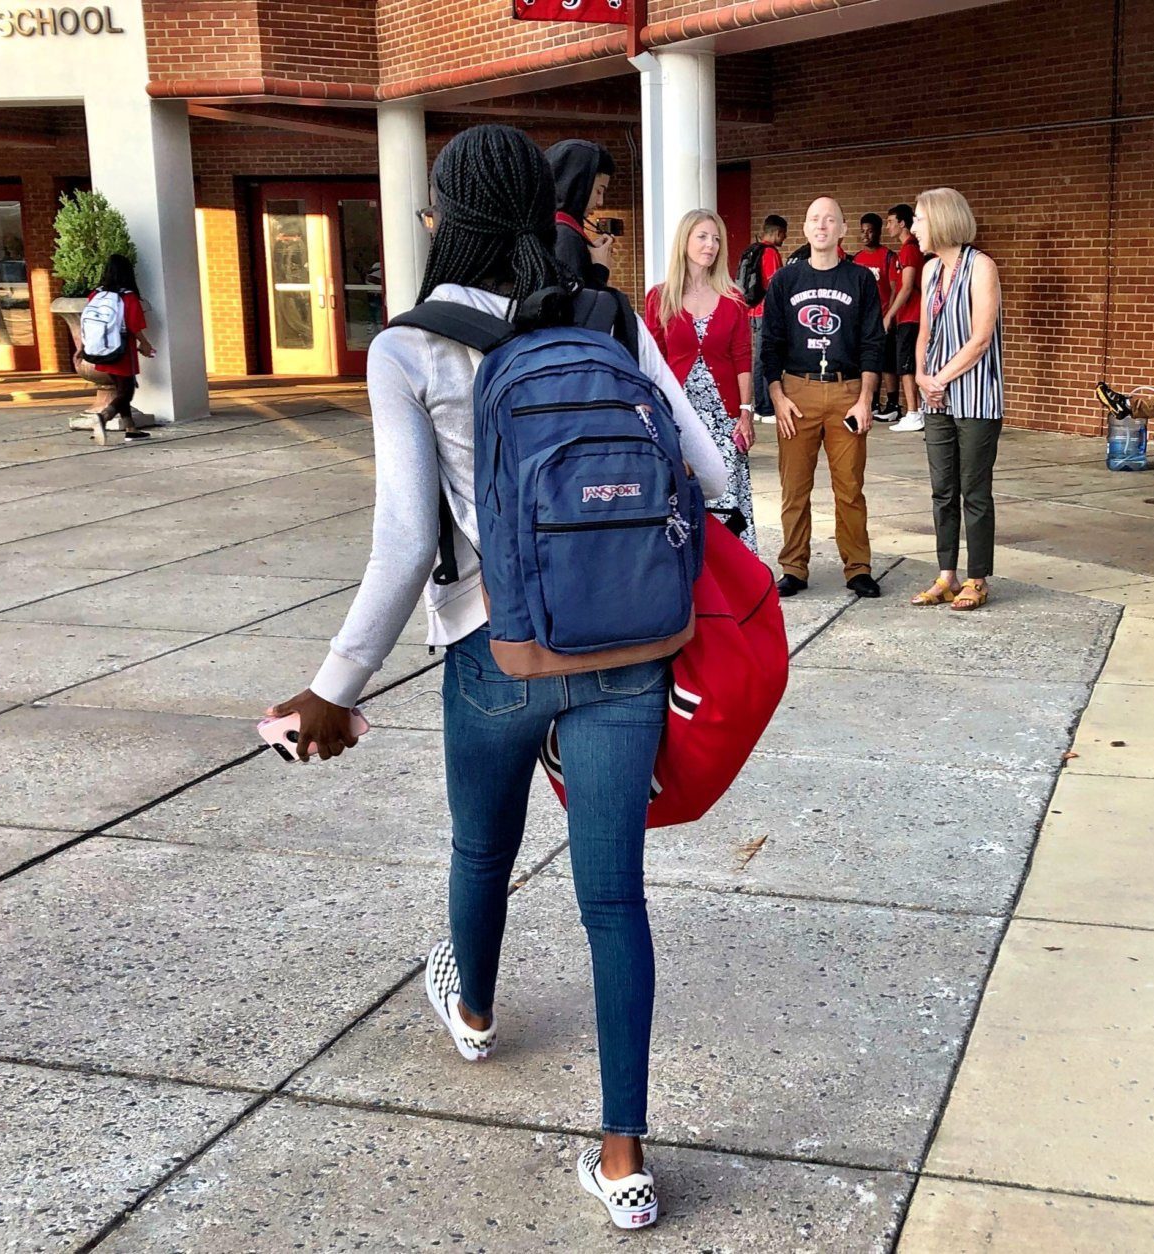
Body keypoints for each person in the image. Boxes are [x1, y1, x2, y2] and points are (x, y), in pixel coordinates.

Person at [267, 125, 726, 1231]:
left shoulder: (408, 347)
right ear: (545, 213)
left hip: (493, 648)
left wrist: (334, 689)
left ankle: (473, 1011)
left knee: (483, 848)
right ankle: (624, 1160)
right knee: (613, 899)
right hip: (626, 650)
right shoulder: (606, 318)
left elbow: (401, 543)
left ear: (440, 220)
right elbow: (709, 471)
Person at [761, 196, 885, 599]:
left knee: (849, 487)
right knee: (794, 488)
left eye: (830, 219)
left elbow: (872, 342)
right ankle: (793, 567)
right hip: (797, 391)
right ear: (805, 227)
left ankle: (858, 568)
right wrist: (777, 396)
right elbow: (770, 344)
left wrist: (865, 398)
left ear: (842, 229)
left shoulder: (860, 279)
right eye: (814, 218)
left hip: (847, 390)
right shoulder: (786, 280)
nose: (821, 225)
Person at [909, 187, 1004, 611]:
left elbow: (981, 338)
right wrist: (921, 376)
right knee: (942, 490)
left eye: (918, 220)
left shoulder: (981, 267)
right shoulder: (930, 270)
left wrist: (939, 379)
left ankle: (977, 578)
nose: (914, 228)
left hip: (976, 396)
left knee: (974, 491)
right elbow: (924, 333)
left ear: (942, 220)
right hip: (937, 397)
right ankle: (946, 575)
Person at [644, 209, 758, 552]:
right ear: (685, 241)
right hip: (678, 417)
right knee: (681, 496)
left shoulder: (733, 299)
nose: (711, 245)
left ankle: (733, 569)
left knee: (725, 498)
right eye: (703, 237)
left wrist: (746, 411)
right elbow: (653, 362)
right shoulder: (660, 297)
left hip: (723, 417)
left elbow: (742, 357)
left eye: (717, 239)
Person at [87, 253, 154, 446]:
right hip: (122, 349)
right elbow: (134, 325)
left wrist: (83, 347)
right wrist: (145, 343)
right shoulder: (127, 296)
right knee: (127, 391)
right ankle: (104, 417)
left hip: (101, 349)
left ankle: (131, 429)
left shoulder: (96, 294)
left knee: (120, 389)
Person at [545, 140, 616, 290]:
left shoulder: (552, 229)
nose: (600, 202)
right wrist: (600, 267)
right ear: (577, 184)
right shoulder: (565, 236)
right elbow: (579, 301)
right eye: (598, 191)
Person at [736, 214, 787, 424]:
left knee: (758, 358)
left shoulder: (752, 250)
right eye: (783, 234)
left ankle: (759, 406)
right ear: (777, 232)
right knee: (767, 357)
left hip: (752, 310)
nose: (784, 238)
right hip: (766, 311)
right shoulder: (770, 253)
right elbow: (774, 285)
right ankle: (767, 409)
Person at [853, 213, 900, 421]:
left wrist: (889, 315)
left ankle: (893, 403)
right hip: (864, 320)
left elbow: (895, 288)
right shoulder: (857, 259)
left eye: (870, 231)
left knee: (887, 362)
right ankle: (872, 402)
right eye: (863, 231)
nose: (866, 235)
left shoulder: (888, 256)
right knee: (869, 361)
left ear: (879, 232)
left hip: (883, 317)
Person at [885, 203, 925, 432]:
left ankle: (913, 412)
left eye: (891, 222)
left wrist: (889, 314)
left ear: (902, 223)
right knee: (908, 364)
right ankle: (917, 411)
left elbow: (907, 287)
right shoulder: (904, 251)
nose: (888, 226)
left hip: (912, 316)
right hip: (906, 316)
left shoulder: (910, 249)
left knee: (907, 365)